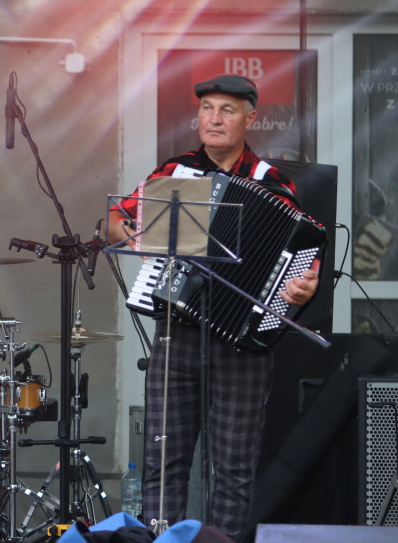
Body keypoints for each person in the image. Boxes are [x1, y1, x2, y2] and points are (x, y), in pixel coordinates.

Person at [107, 74, 320, 541]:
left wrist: (305, 283)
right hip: (176, 332)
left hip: (241, 343)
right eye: (207, 108)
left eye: (227, 109)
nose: (215, 118)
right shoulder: (174, 172)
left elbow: (304, 255)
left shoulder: (271, 182)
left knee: (234, 467)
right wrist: (142, 244)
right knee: (163, 462)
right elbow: (117, 218)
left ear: (250, 118)